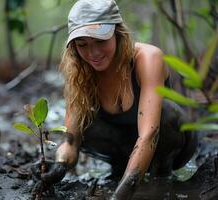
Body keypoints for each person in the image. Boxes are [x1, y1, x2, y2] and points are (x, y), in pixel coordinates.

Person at [32, 0, 198, 199]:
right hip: (121, 149)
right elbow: (71, 142)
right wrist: (59, 166)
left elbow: (148, 136)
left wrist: (120, 195)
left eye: (100, 41)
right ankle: (119, 171)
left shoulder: (148, 58)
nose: (93, 53)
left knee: (167, 112)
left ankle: (159, 180)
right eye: (82, 45)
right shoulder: (79, 71)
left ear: (118, 34)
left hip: (167, 146)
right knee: (85, 120)